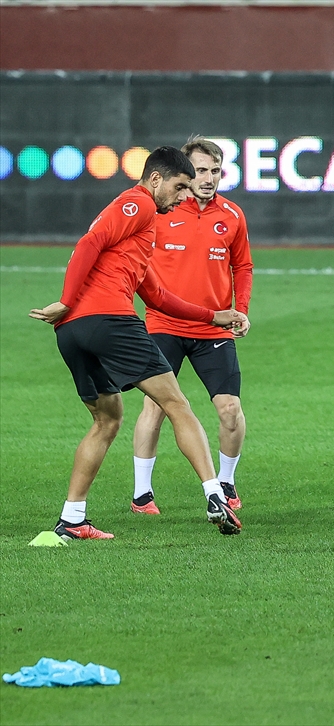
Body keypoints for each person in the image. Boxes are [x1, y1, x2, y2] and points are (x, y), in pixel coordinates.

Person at [29, 146, 247, 540]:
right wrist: (65, 298)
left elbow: (158, 297)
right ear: (156, 179)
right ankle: (215, 493)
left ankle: (72, 519)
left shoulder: (141, 235)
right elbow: (89, 243)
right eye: (180, 187)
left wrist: (213, 316)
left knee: (107, 419)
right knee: (176, 403)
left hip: (73, 333)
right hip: (108, 320)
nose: (185, 196)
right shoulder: (138, 204)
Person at [130, 137, 254, 515]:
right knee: (155, 407)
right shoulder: (162, 210)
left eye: (215, 171)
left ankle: (227, 481)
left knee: (230, 410)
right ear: (185, 172)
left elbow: (243, 267)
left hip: (214, 329)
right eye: (201, 170)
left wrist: (241, 309)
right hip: (164, 324)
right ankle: (142, 494)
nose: (209, 178)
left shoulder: (232, 215)